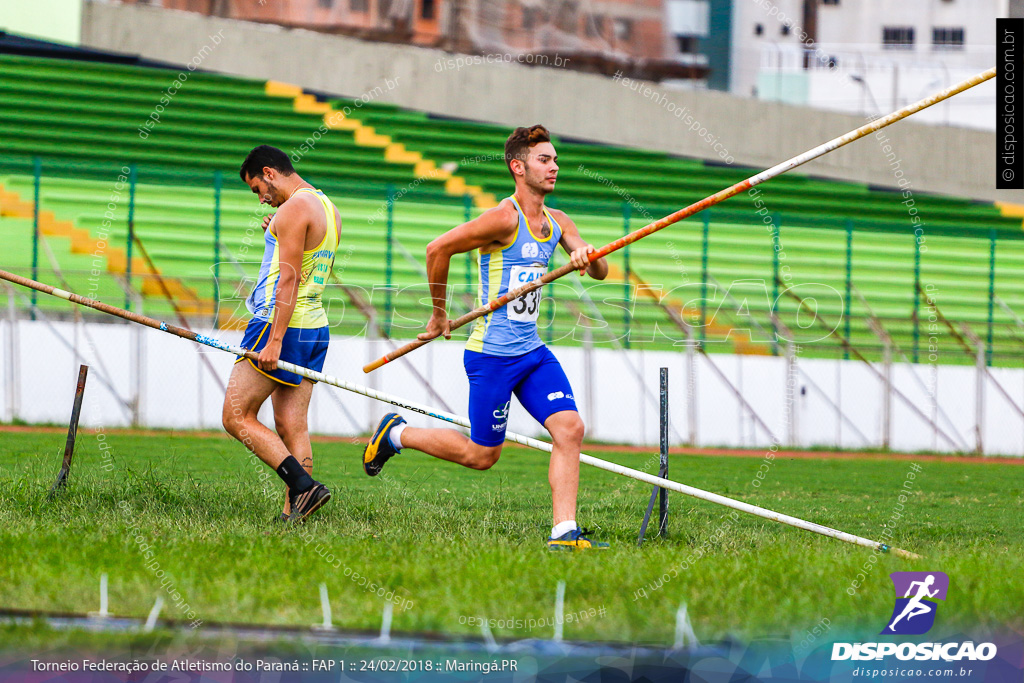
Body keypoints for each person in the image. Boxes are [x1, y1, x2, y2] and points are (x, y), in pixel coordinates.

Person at [362, 125, 610, 550]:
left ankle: (563, 532)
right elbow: (436, 249)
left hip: (532, 353)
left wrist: (587, 257)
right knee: (482, 456)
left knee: (570, 429)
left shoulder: (558, 221)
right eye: (544, 160)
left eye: (555, 160)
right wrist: (438, 315)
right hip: (491, 356)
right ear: (518, 167)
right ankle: (397, 435)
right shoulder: (503, 218)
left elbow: (600, 271)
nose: (554, 168)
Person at [222, 145, 340, 523]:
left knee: (236, 415)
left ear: (270, 173)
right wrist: (276, 231)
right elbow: (304, 259)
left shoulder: (292, 211)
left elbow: (288, 279)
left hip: (281, 326)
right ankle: (297, 512)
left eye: (258, 188)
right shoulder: (326, 207)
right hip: (315, 328)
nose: (261, 199)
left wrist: (273, 341)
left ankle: (303, 486)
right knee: (292, 424)